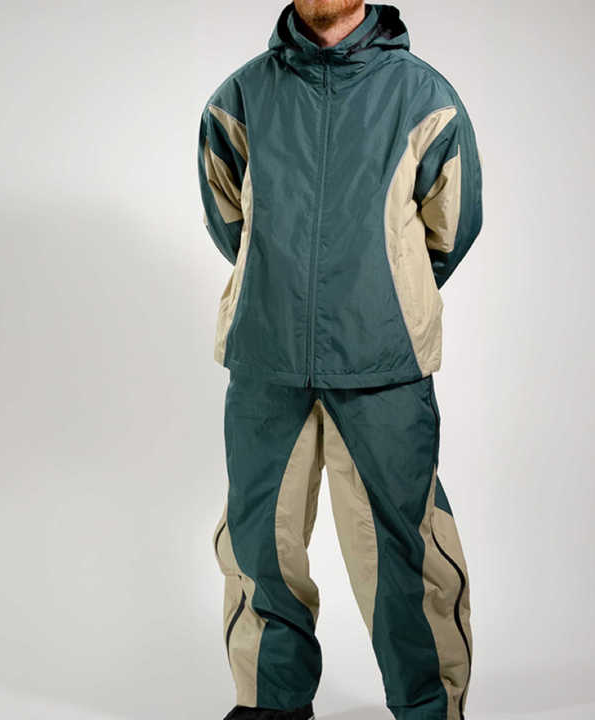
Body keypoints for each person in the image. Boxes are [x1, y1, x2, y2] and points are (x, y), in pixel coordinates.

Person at [197, 2, 483, 718]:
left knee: (407, 552)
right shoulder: (240, 98)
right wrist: (280, 287)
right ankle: (271, 703)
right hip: (266, 355)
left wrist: (386, 291)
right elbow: (230, 216)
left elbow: (450, 226)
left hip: (383, 358)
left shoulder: (424, 97)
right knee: (259, 546)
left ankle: (429, 709)